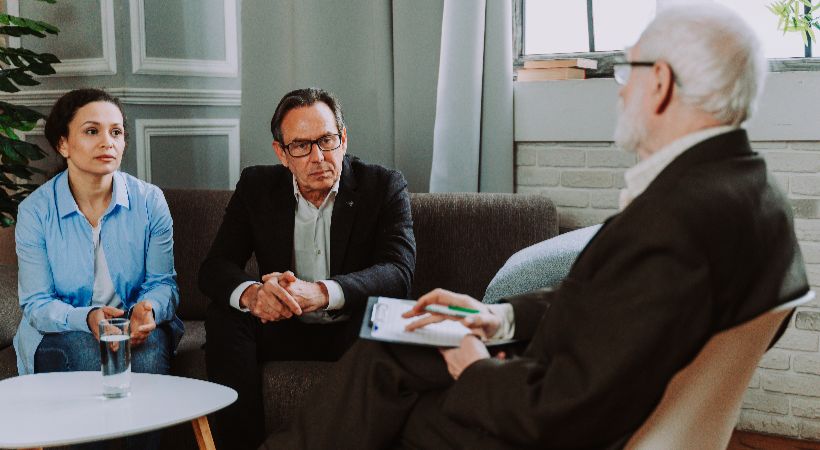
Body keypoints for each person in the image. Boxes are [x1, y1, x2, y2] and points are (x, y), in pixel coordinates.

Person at [260, 4, 810, 449]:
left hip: (551, 417)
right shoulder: (752, 192)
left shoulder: (676, 221)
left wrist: (476, 370)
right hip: (578, 378)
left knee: (384, 403)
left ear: (661, 82)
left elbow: (563, 411)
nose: (621, 90)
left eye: (627, 71)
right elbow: (616, 300)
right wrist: (494, 318)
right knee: (389, 353)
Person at [199, 87, 416, 449]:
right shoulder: (257, 187)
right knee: (225, 315)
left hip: (351, 330)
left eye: (327, 140)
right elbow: (214, 268)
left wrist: (320, 293)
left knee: (381, 316)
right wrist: (254, 296)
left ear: (343, 140)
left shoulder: (383, 186)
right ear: (282, 154)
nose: (318, 157)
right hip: (283, 326)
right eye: (301, 146)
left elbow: (398, 272)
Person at [13, 88, 184, 449]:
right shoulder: (35, 212)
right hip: (64, 333)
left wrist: (148, 308)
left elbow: (163, 284)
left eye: (116, 132)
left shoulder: (150, 202)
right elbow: (37, 304)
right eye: (92, 131)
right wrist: (89, 319)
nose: (108, 142)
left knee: (149, 350)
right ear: (63, 144)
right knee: (91, 352)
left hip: (135, 329)